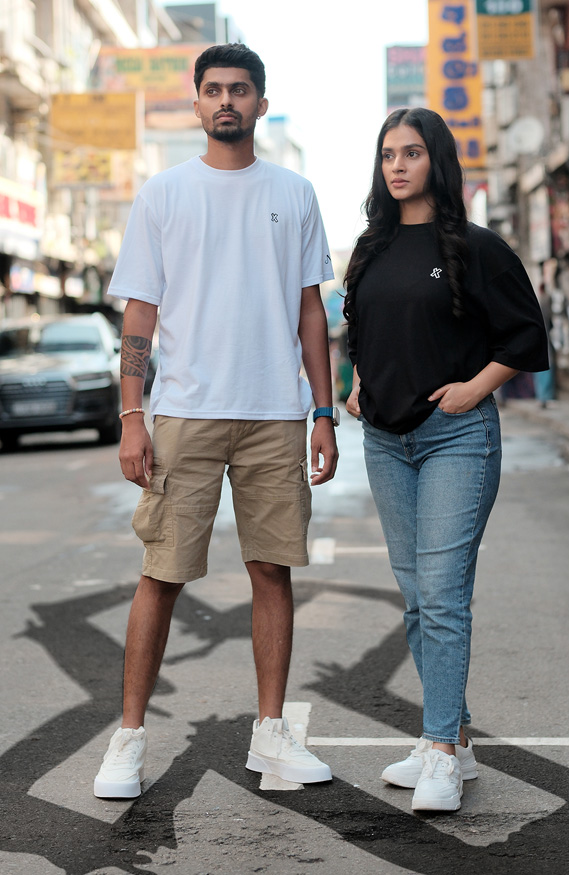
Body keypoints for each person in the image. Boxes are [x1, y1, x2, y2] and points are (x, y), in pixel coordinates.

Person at [94, 43, 339, 799]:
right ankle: (128, 738)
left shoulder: (294, 192)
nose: (226, 100)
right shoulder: (164, 193)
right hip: (186, 412)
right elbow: (141, 311)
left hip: (273, 411)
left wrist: (323, 410)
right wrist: (132, 414)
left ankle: (270, 734)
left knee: (272, 569)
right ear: (196, 104)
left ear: (261, 104)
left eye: (240, 89)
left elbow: (310, 312)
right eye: (213, 90)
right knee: (161, 574)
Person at [343, 108, 548, 812]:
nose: (397, 165)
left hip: (455, 435)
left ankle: (436, 752)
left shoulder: (476, 246)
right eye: (388, 154)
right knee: (415, 594)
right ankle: (451, 738)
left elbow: (525, 336)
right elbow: (363, 326)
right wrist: (358, 380)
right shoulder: (369, 247)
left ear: (437, 160)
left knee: (442, 592)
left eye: (411, 153)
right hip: (384, 439)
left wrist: (473, 390)